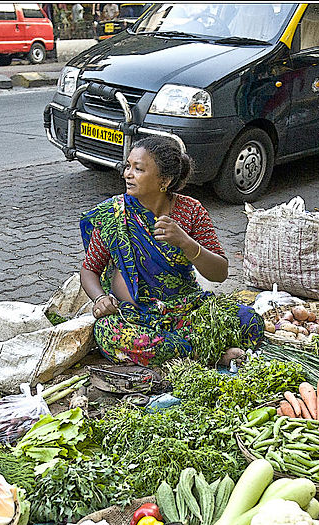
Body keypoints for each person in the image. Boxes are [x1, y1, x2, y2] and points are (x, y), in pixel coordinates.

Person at [79, 137, 264, 368]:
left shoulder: (191, 211)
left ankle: (187, 353)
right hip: (136, 316)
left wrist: (186, 243)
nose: (127, 174)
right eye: (128, 166)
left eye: (138, 169)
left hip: (186, 310)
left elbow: (220, 273)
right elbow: (89, 269)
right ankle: (208, 353)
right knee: (110, 333)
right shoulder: (113, 214)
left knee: (250, 321)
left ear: (164, 180)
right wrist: (99, 298)